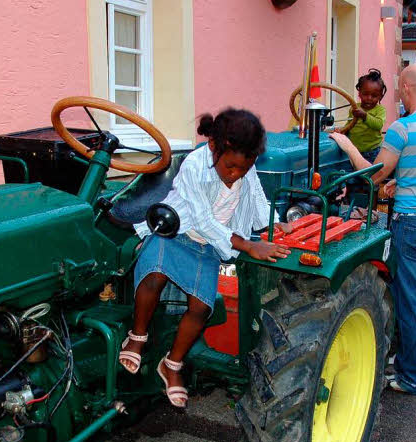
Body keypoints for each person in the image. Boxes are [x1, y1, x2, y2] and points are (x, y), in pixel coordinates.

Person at [121, 109, 291, 407]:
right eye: (230, 167)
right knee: (153, 276)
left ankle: (171, 365)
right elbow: (201, 219)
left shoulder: (245, 169)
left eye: (244, 167)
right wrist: (248, 246)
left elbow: (257, 201)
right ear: (214, 147)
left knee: (201, 308)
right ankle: (137, 336)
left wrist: (275, 224)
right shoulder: (194, 166)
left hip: (210, 246)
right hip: (177, 232)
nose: (235, 174)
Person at [330, 63, 416, 395]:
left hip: (412, 225)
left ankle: (410, 377)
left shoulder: (402, 129)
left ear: (405, 89)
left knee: (410, 301)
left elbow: (373, 175)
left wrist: (347, 147)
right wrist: (403, 184)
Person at [345, 68, 388, 163]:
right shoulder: (354, 108)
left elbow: (378, 125)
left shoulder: (380, 110)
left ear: (380, 96)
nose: (369, 98)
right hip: (354, 151)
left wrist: (365, 116)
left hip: (372, 152)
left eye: (374, 96)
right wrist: (342, 131)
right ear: (359, 93)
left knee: (370, 176)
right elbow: (349, 124)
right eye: (365, 94)